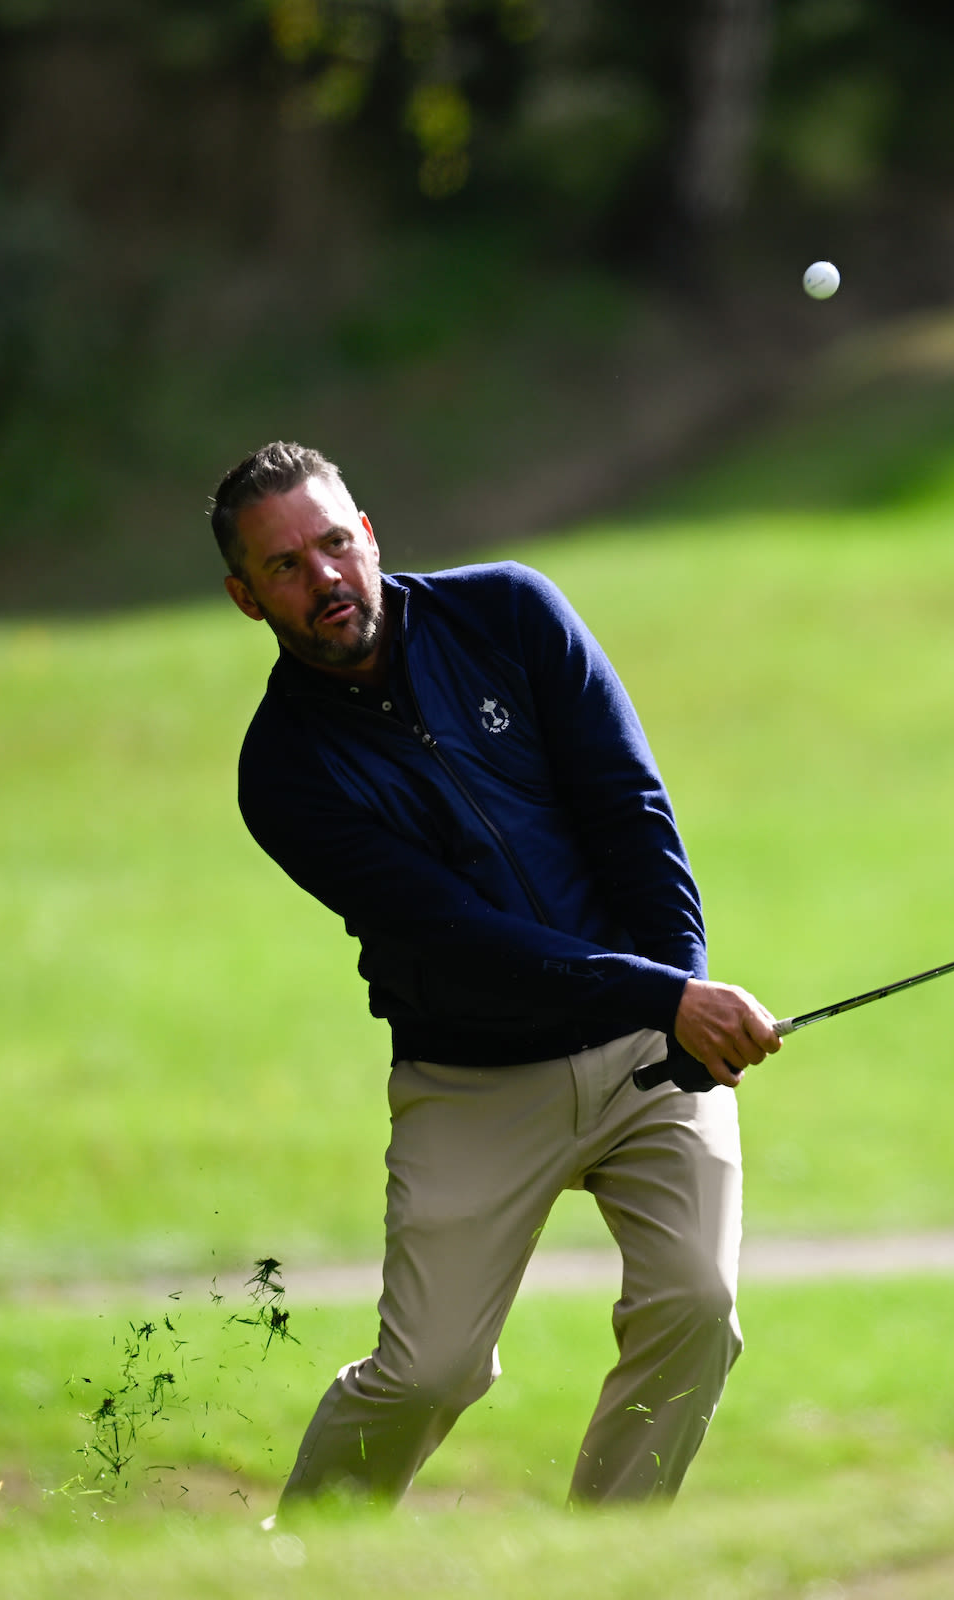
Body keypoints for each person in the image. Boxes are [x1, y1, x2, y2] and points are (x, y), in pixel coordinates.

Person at [212, 441, 780, 1510]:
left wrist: (680, 999)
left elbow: (634, 816)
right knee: (429, 1371)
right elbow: (457, 933)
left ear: (368, 534)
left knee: (698, 1309)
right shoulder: (282, 771)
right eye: (285, 566)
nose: (325, 577)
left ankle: (604, 1563)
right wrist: (667, 998)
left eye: (334, 544)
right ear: (247, 597)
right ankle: (302, 1562)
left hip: (647, 1041)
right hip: (473, 1078)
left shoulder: (510, 613)